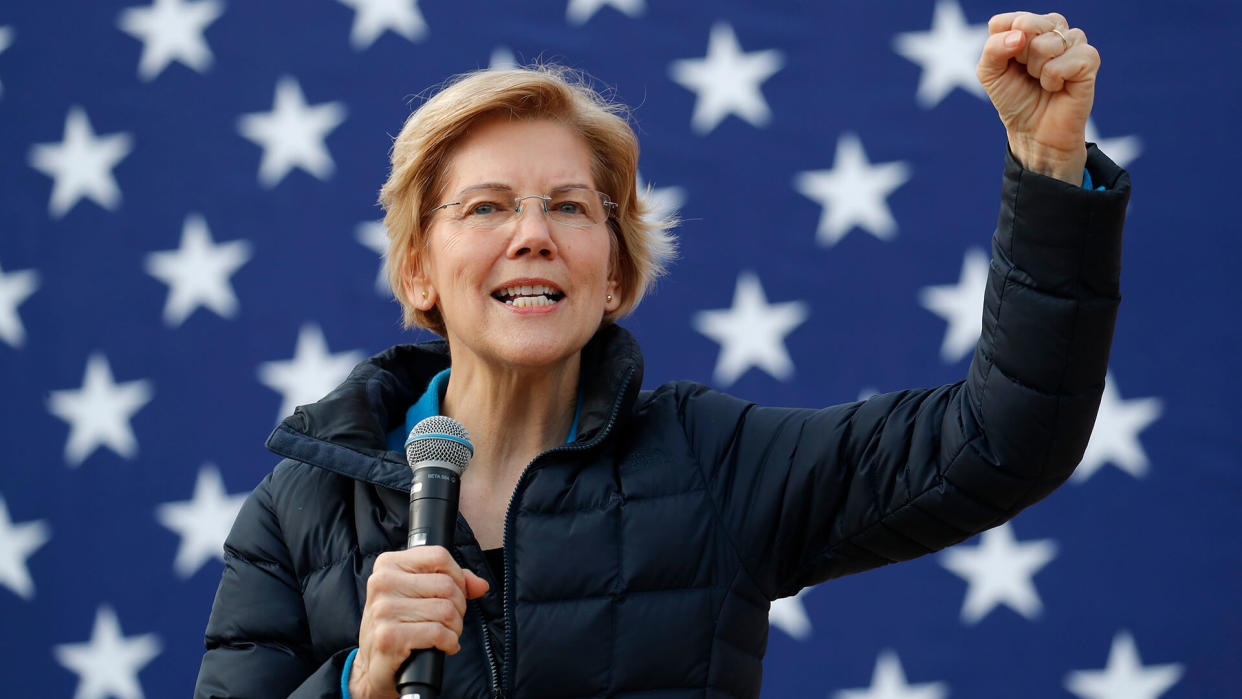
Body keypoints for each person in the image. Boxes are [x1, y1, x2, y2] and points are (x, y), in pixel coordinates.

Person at [194, 11, 1129, 699]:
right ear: (420, 272)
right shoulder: (299, 511)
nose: (532, 234)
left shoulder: (713, 459)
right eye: (485, 206)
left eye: (569, 205)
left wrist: (1049, 168)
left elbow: (1005, 435)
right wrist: (356, 681)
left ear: (615, 276)